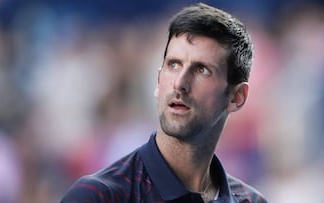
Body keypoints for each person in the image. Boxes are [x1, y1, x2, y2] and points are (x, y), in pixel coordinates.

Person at [61, 3, 267, 203]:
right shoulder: (98, 196)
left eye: (202, 70)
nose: (180, 83)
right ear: (159, 81)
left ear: (237, 97)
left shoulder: (252, 200)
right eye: (174, 65)